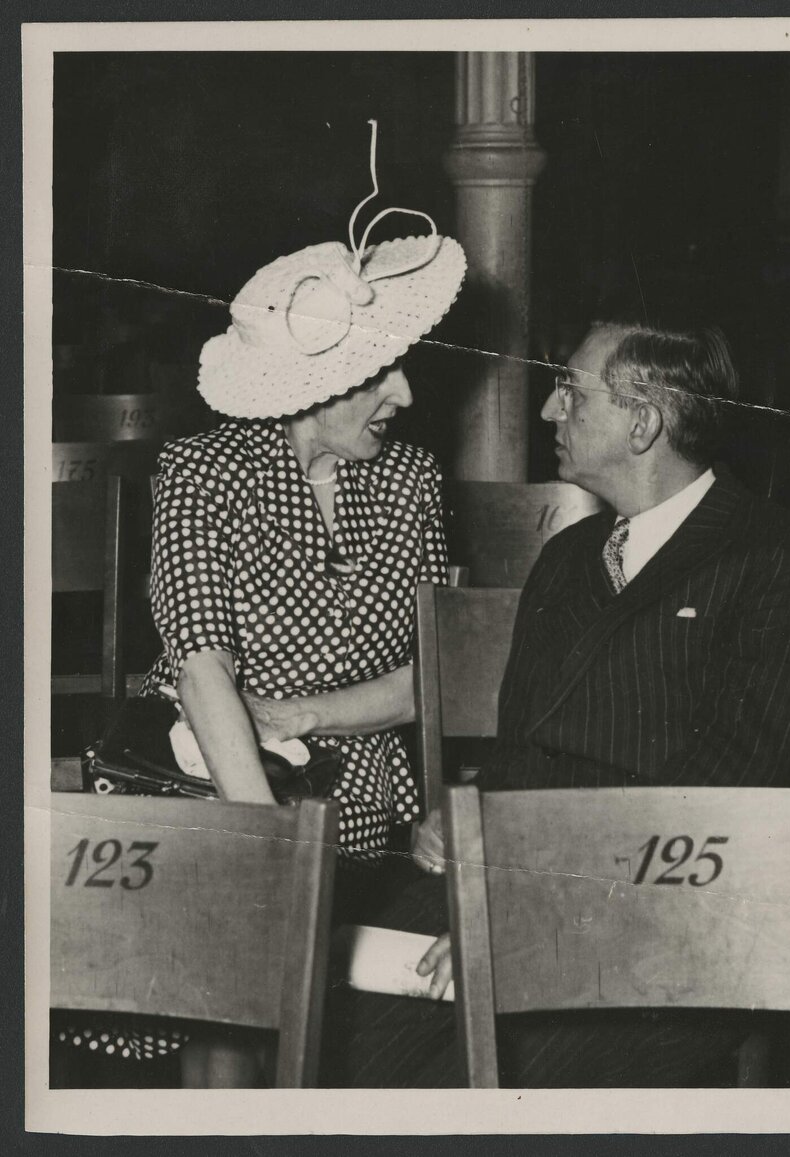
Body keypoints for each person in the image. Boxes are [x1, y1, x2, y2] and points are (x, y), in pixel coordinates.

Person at [327, 315, 790, 1088]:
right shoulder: (567, 556)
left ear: (642, 423)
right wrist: (466, 820)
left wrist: (539, 909)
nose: (549, 410)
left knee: (473, 1083)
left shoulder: (785, 556)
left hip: (673, 920)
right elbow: (523, 747)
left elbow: (730, 787)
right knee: (327, 1039)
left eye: (571, 392)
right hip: (515, 880)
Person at [51, 122, 467, 1087]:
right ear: (316, 386)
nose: (407, 393)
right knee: (228, 970)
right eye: (383, 373)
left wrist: (309, 715)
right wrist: (263, 841)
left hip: (361, 789)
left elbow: (431, 675)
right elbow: (201, 663)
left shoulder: (410, 480)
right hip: (211, 773)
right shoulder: (202, 471)